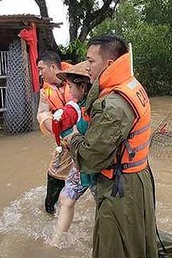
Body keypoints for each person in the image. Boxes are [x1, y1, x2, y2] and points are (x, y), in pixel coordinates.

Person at [66, 34, 157, 258]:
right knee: (137, 242)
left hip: (121, 186)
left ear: (108, 64)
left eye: (90, 61)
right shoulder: (130, 85)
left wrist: (72, 137)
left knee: (113, 247)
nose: (86, 67)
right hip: (135, 178)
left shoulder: (114, 105)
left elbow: (89, 158)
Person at [49, 61, 96, 242]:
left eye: (70, 86)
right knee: (66, 199)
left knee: (105, 206)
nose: (69, 90)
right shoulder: (76, 107)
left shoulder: (97, 108)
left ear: (83, 86)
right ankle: (56, 240)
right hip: (81, 164)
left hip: (98, 167)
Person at [36, 51, 73, 214]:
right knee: (54, 176)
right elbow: (41, 114)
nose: (39, 73)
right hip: (64, 141)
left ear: (52, 67)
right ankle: (50, 212)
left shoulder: (78, 79)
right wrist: (47, 119)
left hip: (85, 139)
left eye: (41, 68)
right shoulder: (45, 92)